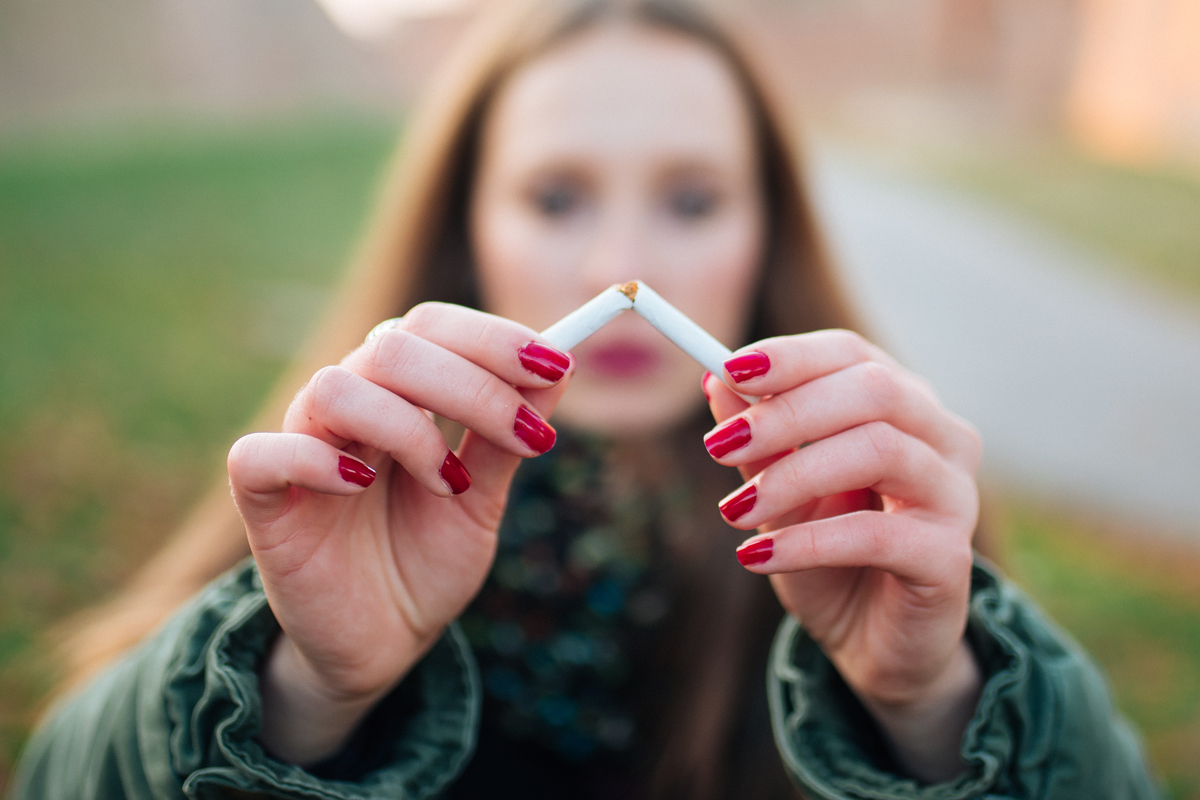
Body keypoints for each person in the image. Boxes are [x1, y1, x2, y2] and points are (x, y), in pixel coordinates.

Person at [11, 0, 1159, 798]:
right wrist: (302, 686)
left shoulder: (863, 531)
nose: (620, 267)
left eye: (693, 198)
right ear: (467, 228)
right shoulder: (342, 503)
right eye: (556, 196)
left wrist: (933, 703)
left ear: (767, 232)